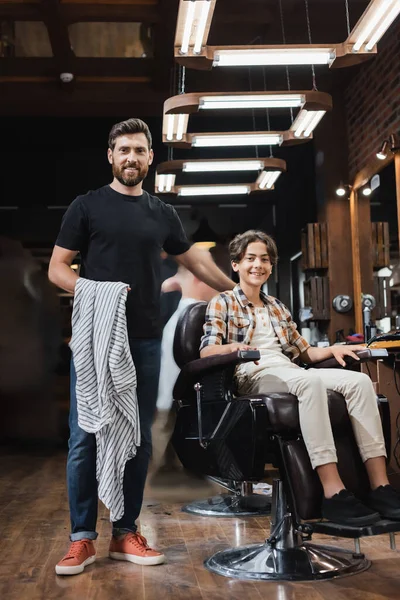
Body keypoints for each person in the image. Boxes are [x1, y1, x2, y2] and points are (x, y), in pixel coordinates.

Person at [48, 118, 235, 575]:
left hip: (146, 338)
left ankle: (125, 531)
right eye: (123, 149)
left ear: (150, 158)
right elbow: (57, 268)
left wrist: (239, 292)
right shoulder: (86, 207)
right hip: (95, 337)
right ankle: (81, 538)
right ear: (110, 156)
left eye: (139, 150)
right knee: (85, 435)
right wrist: (96, 293)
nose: (131, 157)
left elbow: (193, 258)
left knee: (136, 437)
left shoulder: (161, 213)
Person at [200, 229, 400, 526]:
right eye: (250, 258)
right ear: (236, 264)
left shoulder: (276, 306)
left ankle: (380, 486)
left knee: (358, 383)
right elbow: (207, 352)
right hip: (251, 371)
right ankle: (333, 492)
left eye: (265, 260)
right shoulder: (223, 302)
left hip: (288, 369)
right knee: (311, 382)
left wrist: (333, 348)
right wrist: (234, 348)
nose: (258, 265)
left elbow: (304, 353)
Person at [151, 255, 220, 481]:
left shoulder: (182, 312)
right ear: (200, 278)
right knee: (161, 432)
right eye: (213, 278)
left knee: (165, 432)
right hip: (174, 393)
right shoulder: (195, 314)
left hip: (169, 393)